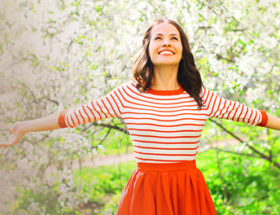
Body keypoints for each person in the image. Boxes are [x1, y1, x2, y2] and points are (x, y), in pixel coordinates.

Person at [2, 18, 280, 215]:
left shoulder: (200, 97)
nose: (166, 42)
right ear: (147, 48)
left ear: (183, 50)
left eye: (174, 38)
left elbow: (255, 116)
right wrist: (24, 126)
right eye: (158, 38)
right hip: (146, 194)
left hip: (189, 193)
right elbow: (73, 116)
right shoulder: (128, 95)